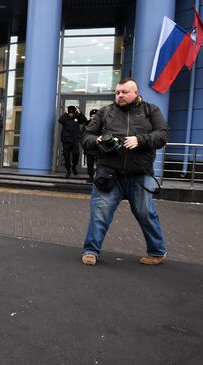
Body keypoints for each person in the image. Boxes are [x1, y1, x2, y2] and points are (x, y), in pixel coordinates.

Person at [80, 77, 169, 266]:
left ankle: (157, 252)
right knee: (100, 213)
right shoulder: (105, 112)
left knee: (146, 213)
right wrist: (97, 141)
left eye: (124, 92)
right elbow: (86, 137)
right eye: (117, 92)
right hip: (109, 173)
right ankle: (90, 251)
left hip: (140, 174)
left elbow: (162, 134)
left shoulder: (150, 110)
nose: (119, 95)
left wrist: (140, 140)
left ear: (135, 93)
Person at [58, 105, 88, 178]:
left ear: (74, 113)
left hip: (74, 140)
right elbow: (60, 120)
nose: (71, 114)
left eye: (72, 113)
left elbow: (84, 120)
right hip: (66, 141)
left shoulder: (77, 117)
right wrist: (65, 113)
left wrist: (79, 112)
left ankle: (74, 166)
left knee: (76, 154)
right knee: (66, 157)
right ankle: (68, 171)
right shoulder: (65, 118)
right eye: (69, 113)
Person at [83, 109, 99, 183]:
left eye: (95, 116)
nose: (93, 117)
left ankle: (98, 177)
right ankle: (90, 177)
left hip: (98, 149)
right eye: (92, 116)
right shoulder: (86, 124)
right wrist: (83, 145)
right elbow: (82, 136)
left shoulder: (101, 124)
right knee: (90, 165)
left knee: (99, 165)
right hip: (89, 149)